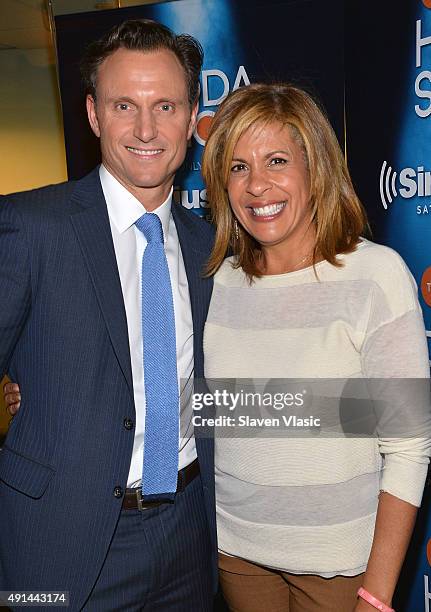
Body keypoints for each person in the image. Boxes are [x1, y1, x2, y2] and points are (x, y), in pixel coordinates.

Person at [0, 19, 217, 611]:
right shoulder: (28, 227)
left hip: (190, 537)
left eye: (166, 105)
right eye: (125, 105)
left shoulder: (211, 248)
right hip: (59, 541)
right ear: (94, 114)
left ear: (192, 117)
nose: (146, 129)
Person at [199, 83, 431, 611]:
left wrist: (376, 596)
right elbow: (204, 407)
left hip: (341, 566)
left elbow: (409, 445)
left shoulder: (374, 275)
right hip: (236, 554)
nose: (257, 185)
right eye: (238, 167)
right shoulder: (216, 281)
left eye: (276, 160)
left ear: (315, 168)